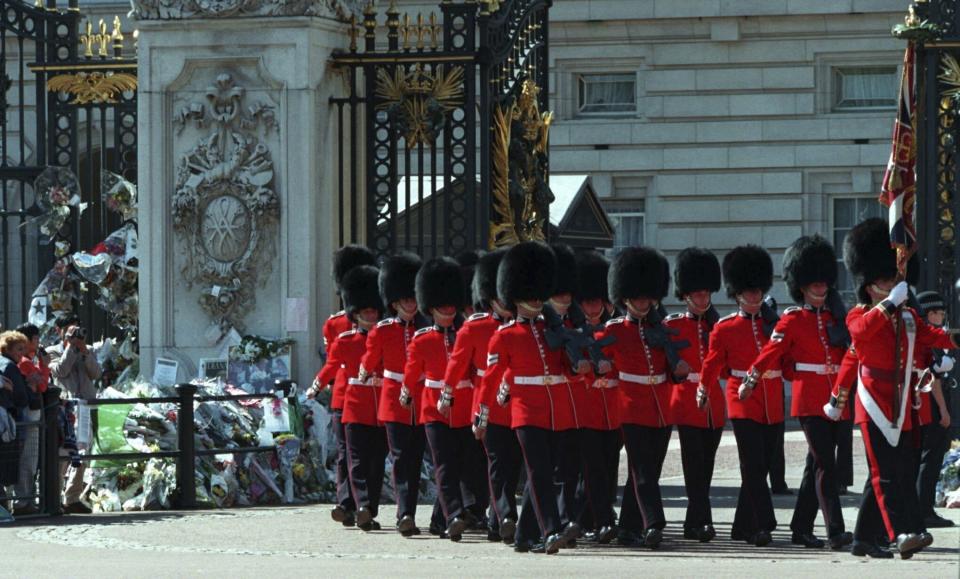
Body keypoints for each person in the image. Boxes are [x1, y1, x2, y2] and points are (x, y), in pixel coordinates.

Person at [827, 217, 959, 558]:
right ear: (870, 286)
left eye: (894, 280)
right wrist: (888, 305)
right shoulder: (860, 313)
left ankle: (863, 538)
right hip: (873, 400)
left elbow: (938, 337)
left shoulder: (907, 318)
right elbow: (860, 334)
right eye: (886, 281)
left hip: (902, 402)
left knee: (896, 472)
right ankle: (899, 533)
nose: (893, 285)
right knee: (884, 473)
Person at [744, 235, 853, 550]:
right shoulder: (792, 319)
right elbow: (771, 352)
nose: (819, 287)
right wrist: (753, 376)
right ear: (801, 286)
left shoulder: (837, 317)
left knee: (815, 466)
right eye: (812, 283)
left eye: (823, 282)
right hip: (809, 400)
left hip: (837, 397)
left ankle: (801, 528)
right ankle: (835, 529)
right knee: (826, 464)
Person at [480, 241, 580, 554]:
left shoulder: (553, 329)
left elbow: (568, 368)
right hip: (525, 411)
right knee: (538, 472)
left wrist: (582, 364)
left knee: (546, 472)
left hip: (555, 409)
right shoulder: (505, 335)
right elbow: (492, 377)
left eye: (539, 293)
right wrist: (482, 413)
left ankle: (524, 536)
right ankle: (551, 530)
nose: (536, 300)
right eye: (530, 294)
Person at [699, 245, 783, 547]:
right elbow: (711, 363)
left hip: (772, 400)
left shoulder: (774, 324)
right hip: (741, 398)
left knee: (761, 465)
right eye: (748, 291)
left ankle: (741, 526)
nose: (754, 295)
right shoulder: (724, 328)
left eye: (758, 290)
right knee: (752, 464)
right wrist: (704, 390)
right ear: (737, 294)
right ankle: (762, 524)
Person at [597, 246, 674, 549]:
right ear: (625, 297)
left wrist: (679, 369)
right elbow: (593, 367)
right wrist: (601, 369)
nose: (643, 301)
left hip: (661, 407)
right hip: (630, 406)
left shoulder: (663, 329)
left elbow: (673, 366)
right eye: (638, 296)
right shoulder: (613, 331)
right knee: (642, 470)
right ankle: (654, 523)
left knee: (648, 470)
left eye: (647, 296)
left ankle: (628, 527)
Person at [446, 249, 520, 544]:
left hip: (520, 405)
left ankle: (495, 521)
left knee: (511, 465)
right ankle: (506, 516)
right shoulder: (474, 328)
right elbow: (458, 365)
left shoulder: (527, 326)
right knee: (497, 462)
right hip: (487, 403)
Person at [401, 257, 475, 542]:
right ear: (431, 309)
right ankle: (454, 515)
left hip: (464, 407)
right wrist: (406, 392)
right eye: (441, 308)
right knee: (443, 465)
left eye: (450, 306)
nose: (447, 311)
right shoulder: (422, 339)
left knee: (458, 466)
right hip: (433, 409)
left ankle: (440, 518)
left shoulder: (464, 335)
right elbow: (412, 371)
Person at [313, 264, 385, 531]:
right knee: (348, 456)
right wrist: (321, 385)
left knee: (370, 458)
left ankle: (358, 505)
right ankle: (348, 503)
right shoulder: (336, 326)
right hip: (346, 395)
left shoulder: (383, 331)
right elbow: (332, 362)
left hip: (376, 400)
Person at [358, 252, 425, 537]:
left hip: (421, 401)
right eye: (405, 299)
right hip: (394, 401)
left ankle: (408, 510)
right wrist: (364, 371)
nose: (410, 303)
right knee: (400, 459)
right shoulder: (382, 331)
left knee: (415, 459)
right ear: (395, 301)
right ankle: (405, 514)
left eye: (413, 298)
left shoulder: (426, 328)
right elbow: (370, 361)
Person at [664, 247, 724, 543]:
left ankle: (693, 522)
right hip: (687, 402)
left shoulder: (718, 325)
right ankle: (704, 521)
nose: (702, 299)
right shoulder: (672, 325)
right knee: (694, 466)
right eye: (696, 295)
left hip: (714, 403)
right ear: (685, 295)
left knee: (707, 467)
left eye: (706, 294)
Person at [570, 249, 619, 545]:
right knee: (592, 468)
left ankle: (583, 518)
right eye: (587, 301)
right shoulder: (572, 333)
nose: (592, 306)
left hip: (611, 409)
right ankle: (603, 520)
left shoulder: (614, 331)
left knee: (608, 466)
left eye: (597, 300)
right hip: (584, 409)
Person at [47, 315, 100, 514]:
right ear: (58, 331)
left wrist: (85, 351)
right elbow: (60, 370)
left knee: (83, 454)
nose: (74, 334)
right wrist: (70, 347)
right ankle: (55, 497)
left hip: (85, 407)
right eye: (69, 330)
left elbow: (96, 374)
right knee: (63, 454)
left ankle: (72, 497)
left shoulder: (88, 350)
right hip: (64, 409)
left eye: (76, 330)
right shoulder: (52, 352)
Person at [913, 291, 955, 529]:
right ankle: (924, 508)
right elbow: (935, 378)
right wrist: (944, 411)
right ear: (929, 314)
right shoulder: (929, 337)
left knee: (930, 457)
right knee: (930, 457)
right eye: (939, 313)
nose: (942, 316)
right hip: (932, 401)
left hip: (931, 400)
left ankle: (923, 507)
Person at [12, 323, 49, 516]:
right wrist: (45, 365)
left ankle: (25, 498)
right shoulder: (25, 362)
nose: (38, 342)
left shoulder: (28, 361)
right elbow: (42, 385)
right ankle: (23, 500)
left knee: (31, 457)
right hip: (29, 413)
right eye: (36, 338)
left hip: (31, 412)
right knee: (28, 457)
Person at [0, 331, 36, 510]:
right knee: (16, 461)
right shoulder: (10, 367)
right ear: (7, 349)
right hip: (11, 418)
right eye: (18, 349)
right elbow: (21, 398)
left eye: (24, 349)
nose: (22, 353)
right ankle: (18, 504)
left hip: (6, 418)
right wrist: (29, 387)